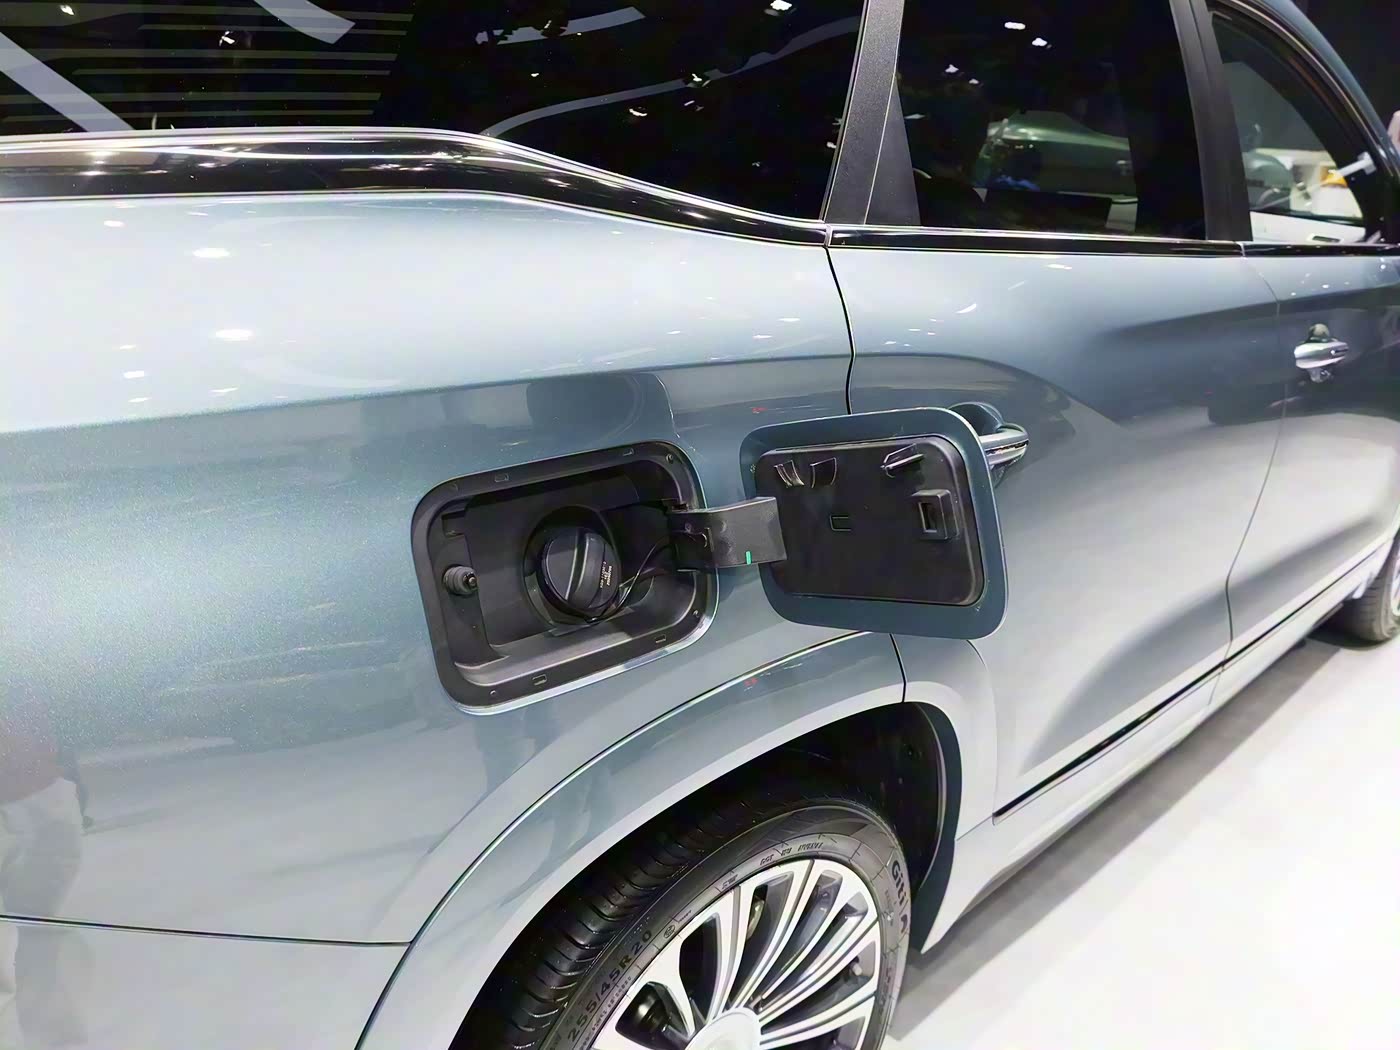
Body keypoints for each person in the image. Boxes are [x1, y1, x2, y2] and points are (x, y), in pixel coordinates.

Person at [0, 709, 86, 1047]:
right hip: (38, 803)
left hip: (40, 807)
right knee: (38, 935)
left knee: (39, 935)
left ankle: (54, 1037)